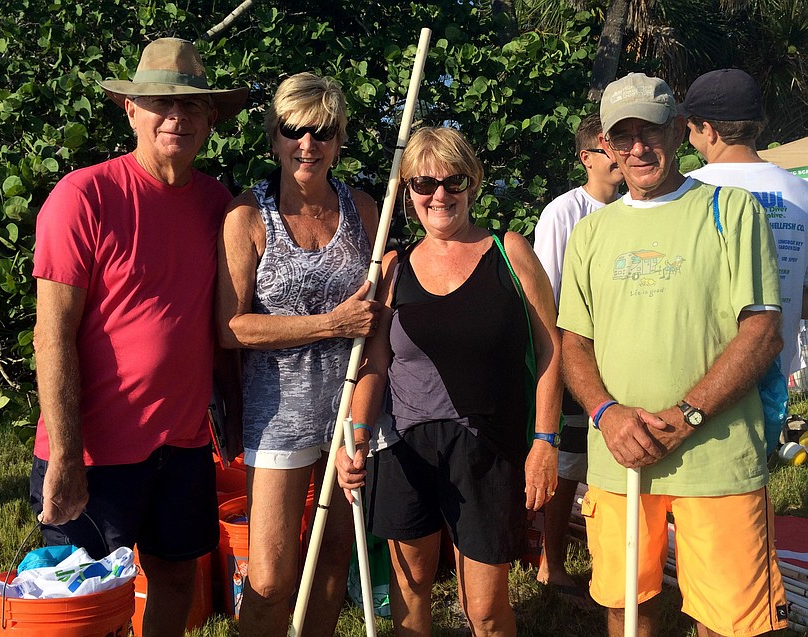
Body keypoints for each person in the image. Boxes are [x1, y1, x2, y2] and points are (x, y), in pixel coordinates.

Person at [30, 37, 248, 637]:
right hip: (96, 451)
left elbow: (217, 321)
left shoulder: (217, 205)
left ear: (210, 120)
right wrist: (68, 457)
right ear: (131, 110)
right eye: (159, 103)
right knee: (90, 602)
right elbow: (52, 335)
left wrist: (231, 404)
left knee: (177, 579)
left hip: (181, 445)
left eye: (192, 107)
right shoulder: (84, 196)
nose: (176, 117)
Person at [557, 72, 788, 637]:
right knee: (625, 605)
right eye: (623, 135)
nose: (638, 147)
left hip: (717, 455)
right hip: (618, 455)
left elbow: (761, 331)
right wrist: (606, 415)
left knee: (730, 620)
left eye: (651, 130)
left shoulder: (732, 212)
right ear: (605, 146)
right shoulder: (591, 233)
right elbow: (573, 342)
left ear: (680, 131)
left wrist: (687, 416)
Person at [337, 127, 563, 637]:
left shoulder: (509, 251)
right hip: (405, 449)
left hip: (488, 448)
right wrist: (355, 436)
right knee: (411, 596)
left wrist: (545, 442)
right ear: (408, 190)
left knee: (483, 610)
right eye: (423, 183)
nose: (439, 194)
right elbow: (374, 364)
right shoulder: (392, 267)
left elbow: (551, 350)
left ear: (472, 182)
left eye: (453, 180)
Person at [216, 72, 380, 637]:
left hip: (348, 415)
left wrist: (362, 416)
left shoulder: (364, 210)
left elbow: (380, 317)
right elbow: (231, 328)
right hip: (278, 419)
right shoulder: (247, 218)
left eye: (322, 132)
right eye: (293, 131)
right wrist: (329, 323)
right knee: (271, 577)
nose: (307, 144)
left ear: (338, 141)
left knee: (334, 558)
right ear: (275, 138)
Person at [533, 112, 623, 595]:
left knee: (609, 462)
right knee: (568, 464)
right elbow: (546, 295)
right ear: (587, 157)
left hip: (623, 357)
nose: (622, 156)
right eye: (612, 147)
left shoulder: (633, 207)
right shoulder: (563, 212)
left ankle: (607, 559)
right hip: (576, 355)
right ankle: (551, 563)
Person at [683, 68, 808, 379]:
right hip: (775, 375)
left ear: (708, 130)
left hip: (699, 381)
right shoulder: (801, 191)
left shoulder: (685, 192)